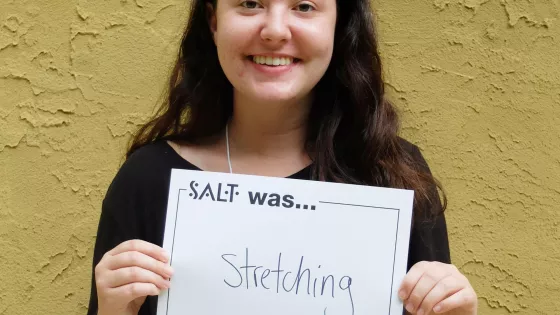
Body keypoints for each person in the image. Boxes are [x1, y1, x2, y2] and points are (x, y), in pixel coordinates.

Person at [87, 0, 478, 314]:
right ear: (214, 20)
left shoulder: (392, 176)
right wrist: (112, 311)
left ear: (339, 24)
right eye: (250, 3)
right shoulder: (148, 181)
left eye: (304, 6)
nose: (274, 30)